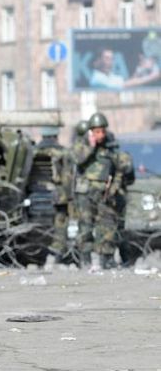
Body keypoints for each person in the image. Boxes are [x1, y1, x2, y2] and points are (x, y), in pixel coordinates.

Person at [72, 112, 120, 269]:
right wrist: (91, 147)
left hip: (104, 191)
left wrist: (114, 187)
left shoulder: (110, 146)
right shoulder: (82, 144)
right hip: (85, 192)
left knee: (106, 226)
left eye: (102, 131)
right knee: (85, 226)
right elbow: (77, 160)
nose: (101, 135)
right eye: (97, 131)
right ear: (91, 131)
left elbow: (118, 169)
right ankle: (85, 259)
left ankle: (106, 258)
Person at [35, 127, 71, 264]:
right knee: (60, 222)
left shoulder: (34, 151)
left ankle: (40, 252)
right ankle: (58, 251)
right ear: (56, 136)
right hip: (59, 193)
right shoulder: (63, 152)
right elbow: (67, 176)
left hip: (35, 193)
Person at [111, 150, 135, 266]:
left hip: (112, 198)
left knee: (117, 228)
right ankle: (123, 258)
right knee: (118, 228)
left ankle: (121, 258)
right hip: (115, 197)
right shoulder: (122, 156)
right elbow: (131, 178)